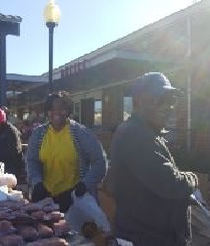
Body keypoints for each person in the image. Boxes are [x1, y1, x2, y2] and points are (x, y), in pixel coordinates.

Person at [110, 72, 198, 246]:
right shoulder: (136, 136)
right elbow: (170, 184)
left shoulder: (145, 132)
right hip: (147, 237)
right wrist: (192, 179)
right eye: (160, 99)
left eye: (171, 100)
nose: (168, 106)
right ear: (139, 102)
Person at [27, 91, 108, 212]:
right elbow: (32, 161)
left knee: (80, 230)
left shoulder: (81, 133)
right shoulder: (38, 134)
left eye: (62, 108)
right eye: (51, 109)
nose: (56, 112)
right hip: (46, 199)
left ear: (69, 111)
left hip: (75, 199)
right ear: (47, 112)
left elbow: (100, 162)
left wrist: (83, 185)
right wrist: (37, 183)